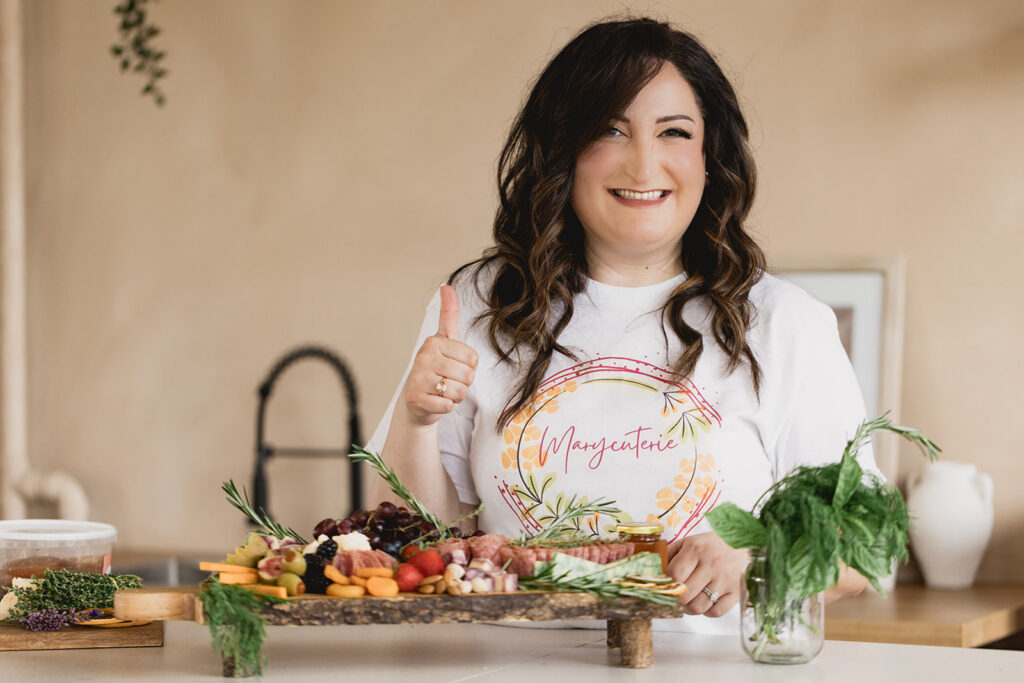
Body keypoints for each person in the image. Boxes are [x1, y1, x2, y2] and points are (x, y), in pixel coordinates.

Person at [367, 17, 873, 633]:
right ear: (565, 152)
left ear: (710, 158)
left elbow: (863, 550)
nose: (642, 164)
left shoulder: (784, 322)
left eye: (674, 132)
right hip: (509, 673)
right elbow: (414, 541)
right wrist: (418, 421)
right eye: (610, 129)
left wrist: (759, 555)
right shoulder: (483, 302)